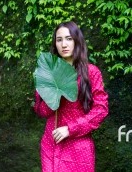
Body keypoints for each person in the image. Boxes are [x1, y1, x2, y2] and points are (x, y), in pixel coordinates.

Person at [33, 21, 109, 171]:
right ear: (55, 44)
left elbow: (101, 109)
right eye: (59, 40)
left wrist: (70, 129)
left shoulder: (91, 72)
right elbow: (40, 110)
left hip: (78, 147)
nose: (64, 44)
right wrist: (55, 94)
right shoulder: (48, 72)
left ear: (77, 41)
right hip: (51, 143)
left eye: (69, 39)